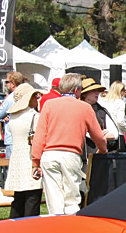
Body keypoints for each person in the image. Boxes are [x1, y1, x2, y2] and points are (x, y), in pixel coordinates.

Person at [30, 73, 107, 215]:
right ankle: (70, 227)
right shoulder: (84, 107)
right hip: (71, 155)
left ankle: (56, 226)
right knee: (71, 197)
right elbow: (98, 135)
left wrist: (35, 161)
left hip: (50, 154)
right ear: (77, 90)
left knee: (54, 198)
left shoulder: (49, 105)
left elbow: (40, 136)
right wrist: (103, 149)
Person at [3, 83, 45, 218]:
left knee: (19, 197)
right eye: (35, 96)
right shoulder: (34, 116)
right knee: (32, 196)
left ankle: (14, 225)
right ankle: (30, 227)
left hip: (17, 156)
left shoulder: (13, 116)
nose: (37, 99)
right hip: (30, 156)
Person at [79, 77, 119, 159]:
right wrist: (100, 134)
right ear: (84, 94)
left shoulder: (101, 110)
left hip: (99, 155)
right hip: (82, 155)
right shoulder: (77, 109)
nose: (97, 93)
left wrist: (99, 135)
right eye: (93, 91)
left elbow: (114, 134)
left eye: (97, 90)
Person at [0, 71, 28, 159]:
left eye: (7, 82)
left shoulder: (11, 97)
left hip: (12, 137)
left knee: (11, 168)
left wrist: (4, 113)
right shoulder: (28, 95)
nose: (6, 85)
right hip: (26, 138)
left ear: (13, 83)